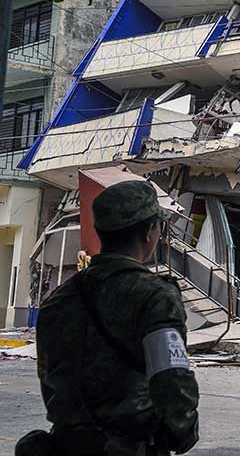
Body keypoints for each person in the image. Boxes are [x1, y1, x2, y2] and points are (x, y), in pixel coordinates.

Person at [27, 180, 199, 456]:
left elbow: (51, 379)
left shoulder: (58, 301)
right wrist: (182, 432)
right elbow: (171, 378)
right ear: (149, 232)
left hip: (65, 445)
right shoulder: (154, 296)